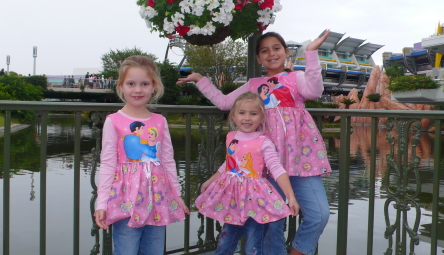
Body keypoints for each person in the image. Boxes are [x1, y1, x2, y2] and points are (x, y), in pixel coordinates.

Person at [177, 30, 332, 255]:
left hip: (301, 160)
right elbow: (224, 102)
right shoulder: (253, 84)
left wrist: (311, 53)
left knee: (319, 214)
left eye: (276, 48)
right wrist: (201, 80)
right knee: (271, 225)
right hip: (266, 166)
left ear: (286, 52)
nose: (271, 54)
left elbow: (315, 90)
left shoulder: (295, 78)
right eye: (264, 50)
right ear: (259, 58)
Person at [95, 55, 189, 255]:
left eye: (144, 84)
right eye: (131, 83)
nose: (138, 90)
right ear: (121, 86)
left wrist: (177, 194)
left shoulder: (160, 121)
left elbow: (168, 161)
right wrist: (101, 202)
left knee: (154, 250)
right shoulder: (113, 121)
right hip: (125, 201)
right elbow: (108, 164)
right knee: (126, 249)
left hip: (158, 199)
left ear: (153, 86)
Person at [195, 91, 300, 255]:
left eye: (253, 113)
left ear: (262, 118)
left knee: (253, 245)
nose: (247, 118)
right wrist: (210, 181)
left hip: (255, 202)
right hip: (232, 200)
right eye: (242, 113)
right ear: (233, 116)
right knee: (225, 240)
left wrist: (291, 196)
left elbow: (276, 168)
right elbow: (228, 164)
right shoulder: (231, 137)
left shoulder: (263, 141)